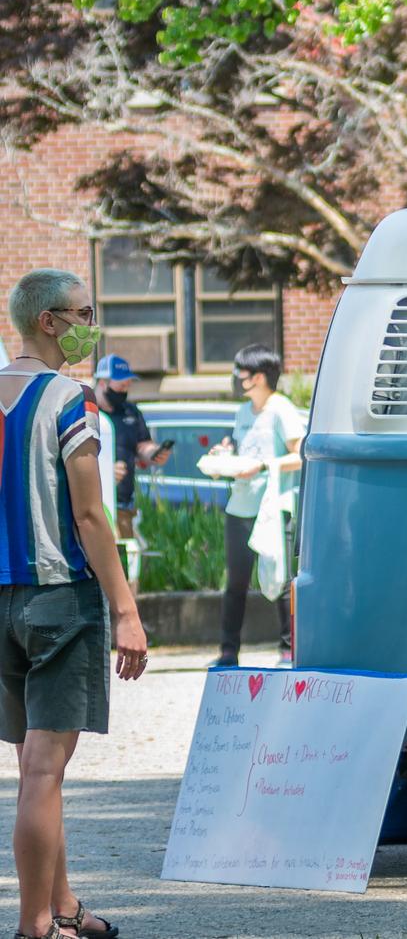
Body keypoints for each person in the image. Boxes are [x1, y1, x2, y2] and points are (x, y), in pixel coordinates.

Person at [3, 270, 147, 939]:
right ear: (50, 321)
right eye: (85, 312)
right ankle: (38, 926)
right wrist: (125, 609)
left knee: (39, 767)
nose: (93, 322)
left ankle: (64, 904)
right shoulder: (69, 398)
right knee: (43, 768)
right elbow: (89, 514)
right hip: (60, 598)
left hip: (1, 601)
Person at [209, 344, 305, 669]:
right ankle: (227, 651)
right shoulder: (242, 411)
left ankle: (287, 650)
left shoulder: (282, 409)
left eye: (243, 374)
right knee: (235, 582)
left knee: (279, 576)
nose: (238, 379)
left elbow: (300, 454)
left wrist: (263, 467)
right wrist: (226, 453)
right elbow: (241, 449)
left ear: (260, 377)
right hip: (240, 506)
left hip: (274, 507)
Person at [92, 355, 162, 541]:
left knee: (122, 564)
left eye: (128, 385)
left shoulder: (131, 411)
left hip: (123, 505)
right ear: (102, 383)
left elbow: (143, 445)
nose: (125, 390)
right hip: (94, 505)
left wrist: (154, 453)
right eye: (121, 385)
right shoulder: (84, 412)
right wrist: (105, 472)